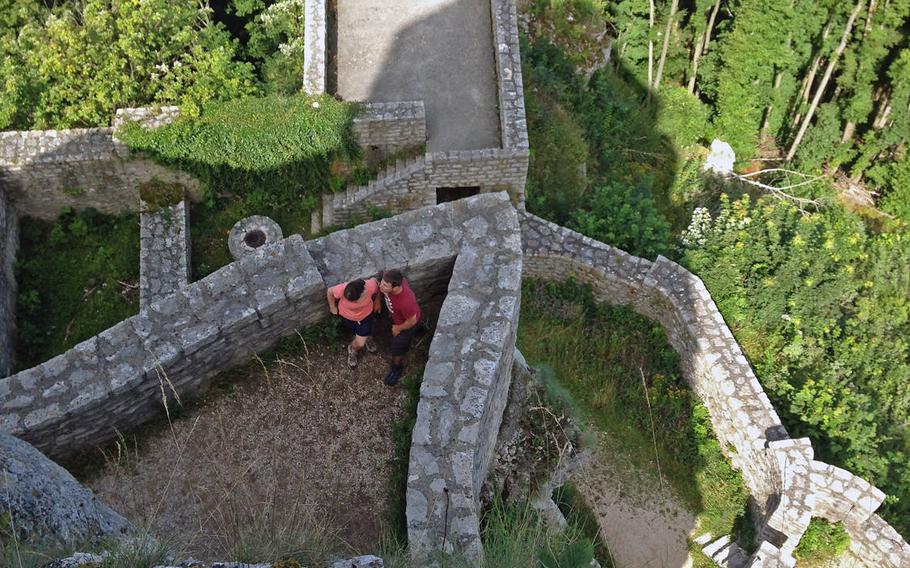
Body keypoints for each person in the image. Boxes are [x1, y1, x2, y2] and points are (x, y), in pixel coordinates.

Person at [379, 269, 421, 386]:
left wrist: (398, 328)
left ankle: (396, 368)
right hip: (400, 316)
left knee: (398, 347)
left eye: (385, 285)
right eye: (382, 282)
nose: (381, 286)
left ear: (396, 287)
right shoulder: (389, 278)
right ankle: (420, 330)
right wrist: (378, 300)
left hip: (407, 324)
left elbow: (411, 321)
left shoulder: (406, 301)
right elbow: (380, 287)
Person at [326, 277, 380, 368]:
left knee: (360, 343)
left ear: (363, 293)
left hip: (365, 317)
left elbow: (378, 285)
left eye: (354, 301)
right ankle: (365, 336)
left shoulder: (370, 286)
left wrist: (378, 300)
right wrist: (332, 307)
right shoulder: (343, 289)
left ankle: (353, 348)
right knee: (355, 331)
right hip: (347, 317)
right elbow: (330, 291)